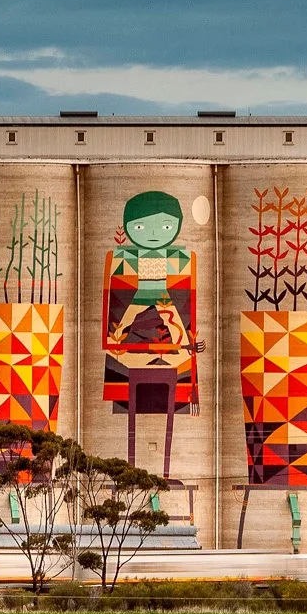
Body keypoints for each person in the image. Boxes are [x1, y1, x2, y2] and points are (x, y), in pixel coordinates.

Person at [104, 190, 200, 476]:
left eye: (166, 226)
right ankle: (136, 471)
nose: (155, 234)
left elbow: (185, 305)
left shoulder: (183, 258)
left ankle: (166, 474)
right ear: (129, 228)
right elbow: (115, 303)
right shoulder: (121, 258)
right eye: (142, 227)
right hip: (133, 353)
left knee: (170, 324)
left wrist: (184, 340)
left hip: (168, 349)